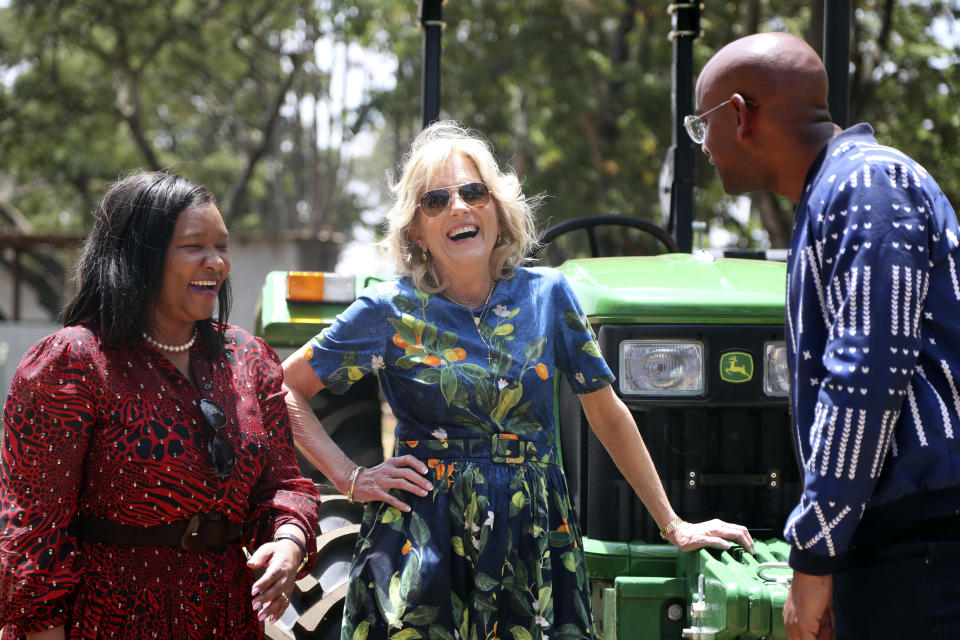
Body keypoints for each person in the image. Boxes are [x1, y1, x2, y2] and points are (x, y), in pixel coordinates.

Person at [282, 120, 754, 639]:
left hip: (532, 545)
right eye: (436, 200)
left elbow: (606, 411)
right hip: (422, 546)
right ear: (416, 230)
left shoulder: (548, 295)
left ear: (497, 212)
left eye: (473, 192)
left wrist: (674, 524)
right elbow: (284, 388)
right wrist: (352, 477)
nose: (459, 207)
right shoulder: (388, 310)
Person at [689, 32, 960, 640]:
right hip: (898, 544)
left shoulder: (865, 185)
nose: (703, 146)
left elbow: (866, 377)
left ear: (739, 114)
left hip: (924, 546)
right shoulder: (835, 194)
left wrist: (813, 556)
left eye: (701, 124)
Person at [0, 171, 320, 640]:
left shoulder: (249, 359)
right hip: (110, 619)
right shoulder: (75, 362)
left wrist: (289, 542)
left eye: (222, 246)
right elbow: (31, 531)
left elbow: (285, 485)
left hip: (226, 618)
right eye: (194, 246)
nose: (217, 262)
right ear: (140, 256)